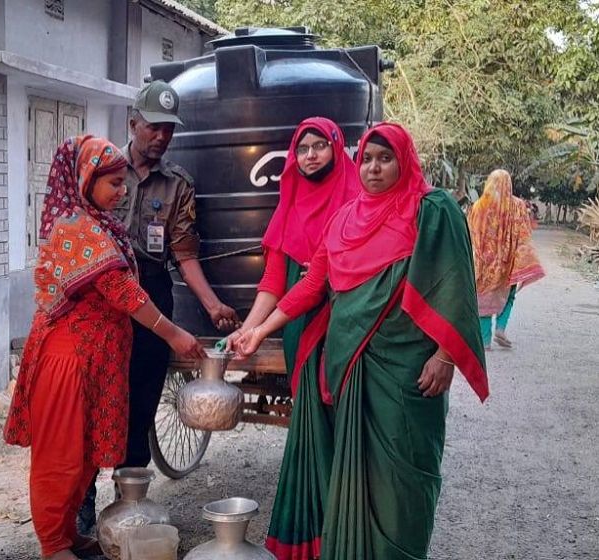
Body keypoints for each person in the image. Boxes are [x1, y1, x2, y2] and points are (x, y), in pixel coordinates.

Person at [233, 123, 489, 560]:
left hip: (408, 372)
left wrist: (445, 355)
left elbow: (455, 285)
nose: (373, 168)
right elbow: (311, 284)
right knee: (357, 475)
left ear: (404, 161)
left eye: (385, 158)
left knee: (403, 479)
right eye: (367, 158)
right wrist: (260, 329)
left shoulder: (432, 211)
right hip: (351, 367)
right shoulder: (344, 219)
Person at [4, 136, 205, 560]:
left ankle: (67, 534)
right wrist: (173, 334)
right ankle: (53, 544)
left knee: (85, 455)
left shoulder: (101, 224)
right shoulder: (76, 228)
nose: (122, 190)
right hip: (69, 359)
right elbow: (123, 292)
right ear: (84, 180)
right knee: (61, 455)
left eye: (122, 182)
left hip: (96, 360)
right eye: (113, 183)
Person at [78, 80, 239, 532]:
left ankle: (129, 505)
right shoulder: (101, 167)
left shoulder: (177, 185)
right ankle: (83, 500)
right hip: (103, 297)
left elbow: (184, 254)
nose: (161, 136)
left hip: (150, 293)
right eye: (153, 127)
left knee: (141, 400)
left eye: (169, 129)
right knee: (94, 400)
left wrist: (212, 305)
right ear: (133, 123)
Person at [225, 117, 360, 559]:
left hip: (346, 325)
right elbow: (274, 281)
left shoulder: (356, 199)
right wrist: (249, 328)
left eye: (320, 145)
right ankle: (320, 537)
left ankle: (350, 531)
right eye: (303, 148)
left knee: (346, 425)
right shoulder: (290, 203)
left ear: (337, 147)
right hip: (299, 327)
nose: (311, 155)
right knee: (312, 427)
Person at [468, 169, 545, 350]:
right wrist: (523, 257)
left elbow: (472, 234)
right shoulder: (517, 206)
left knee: (484, 299)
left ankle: (485, 341)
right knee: (509, 295)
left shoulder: (479, 206)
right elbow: (523, 234)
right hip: (508, 261)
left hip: (485, 262)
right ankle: (501, 328)